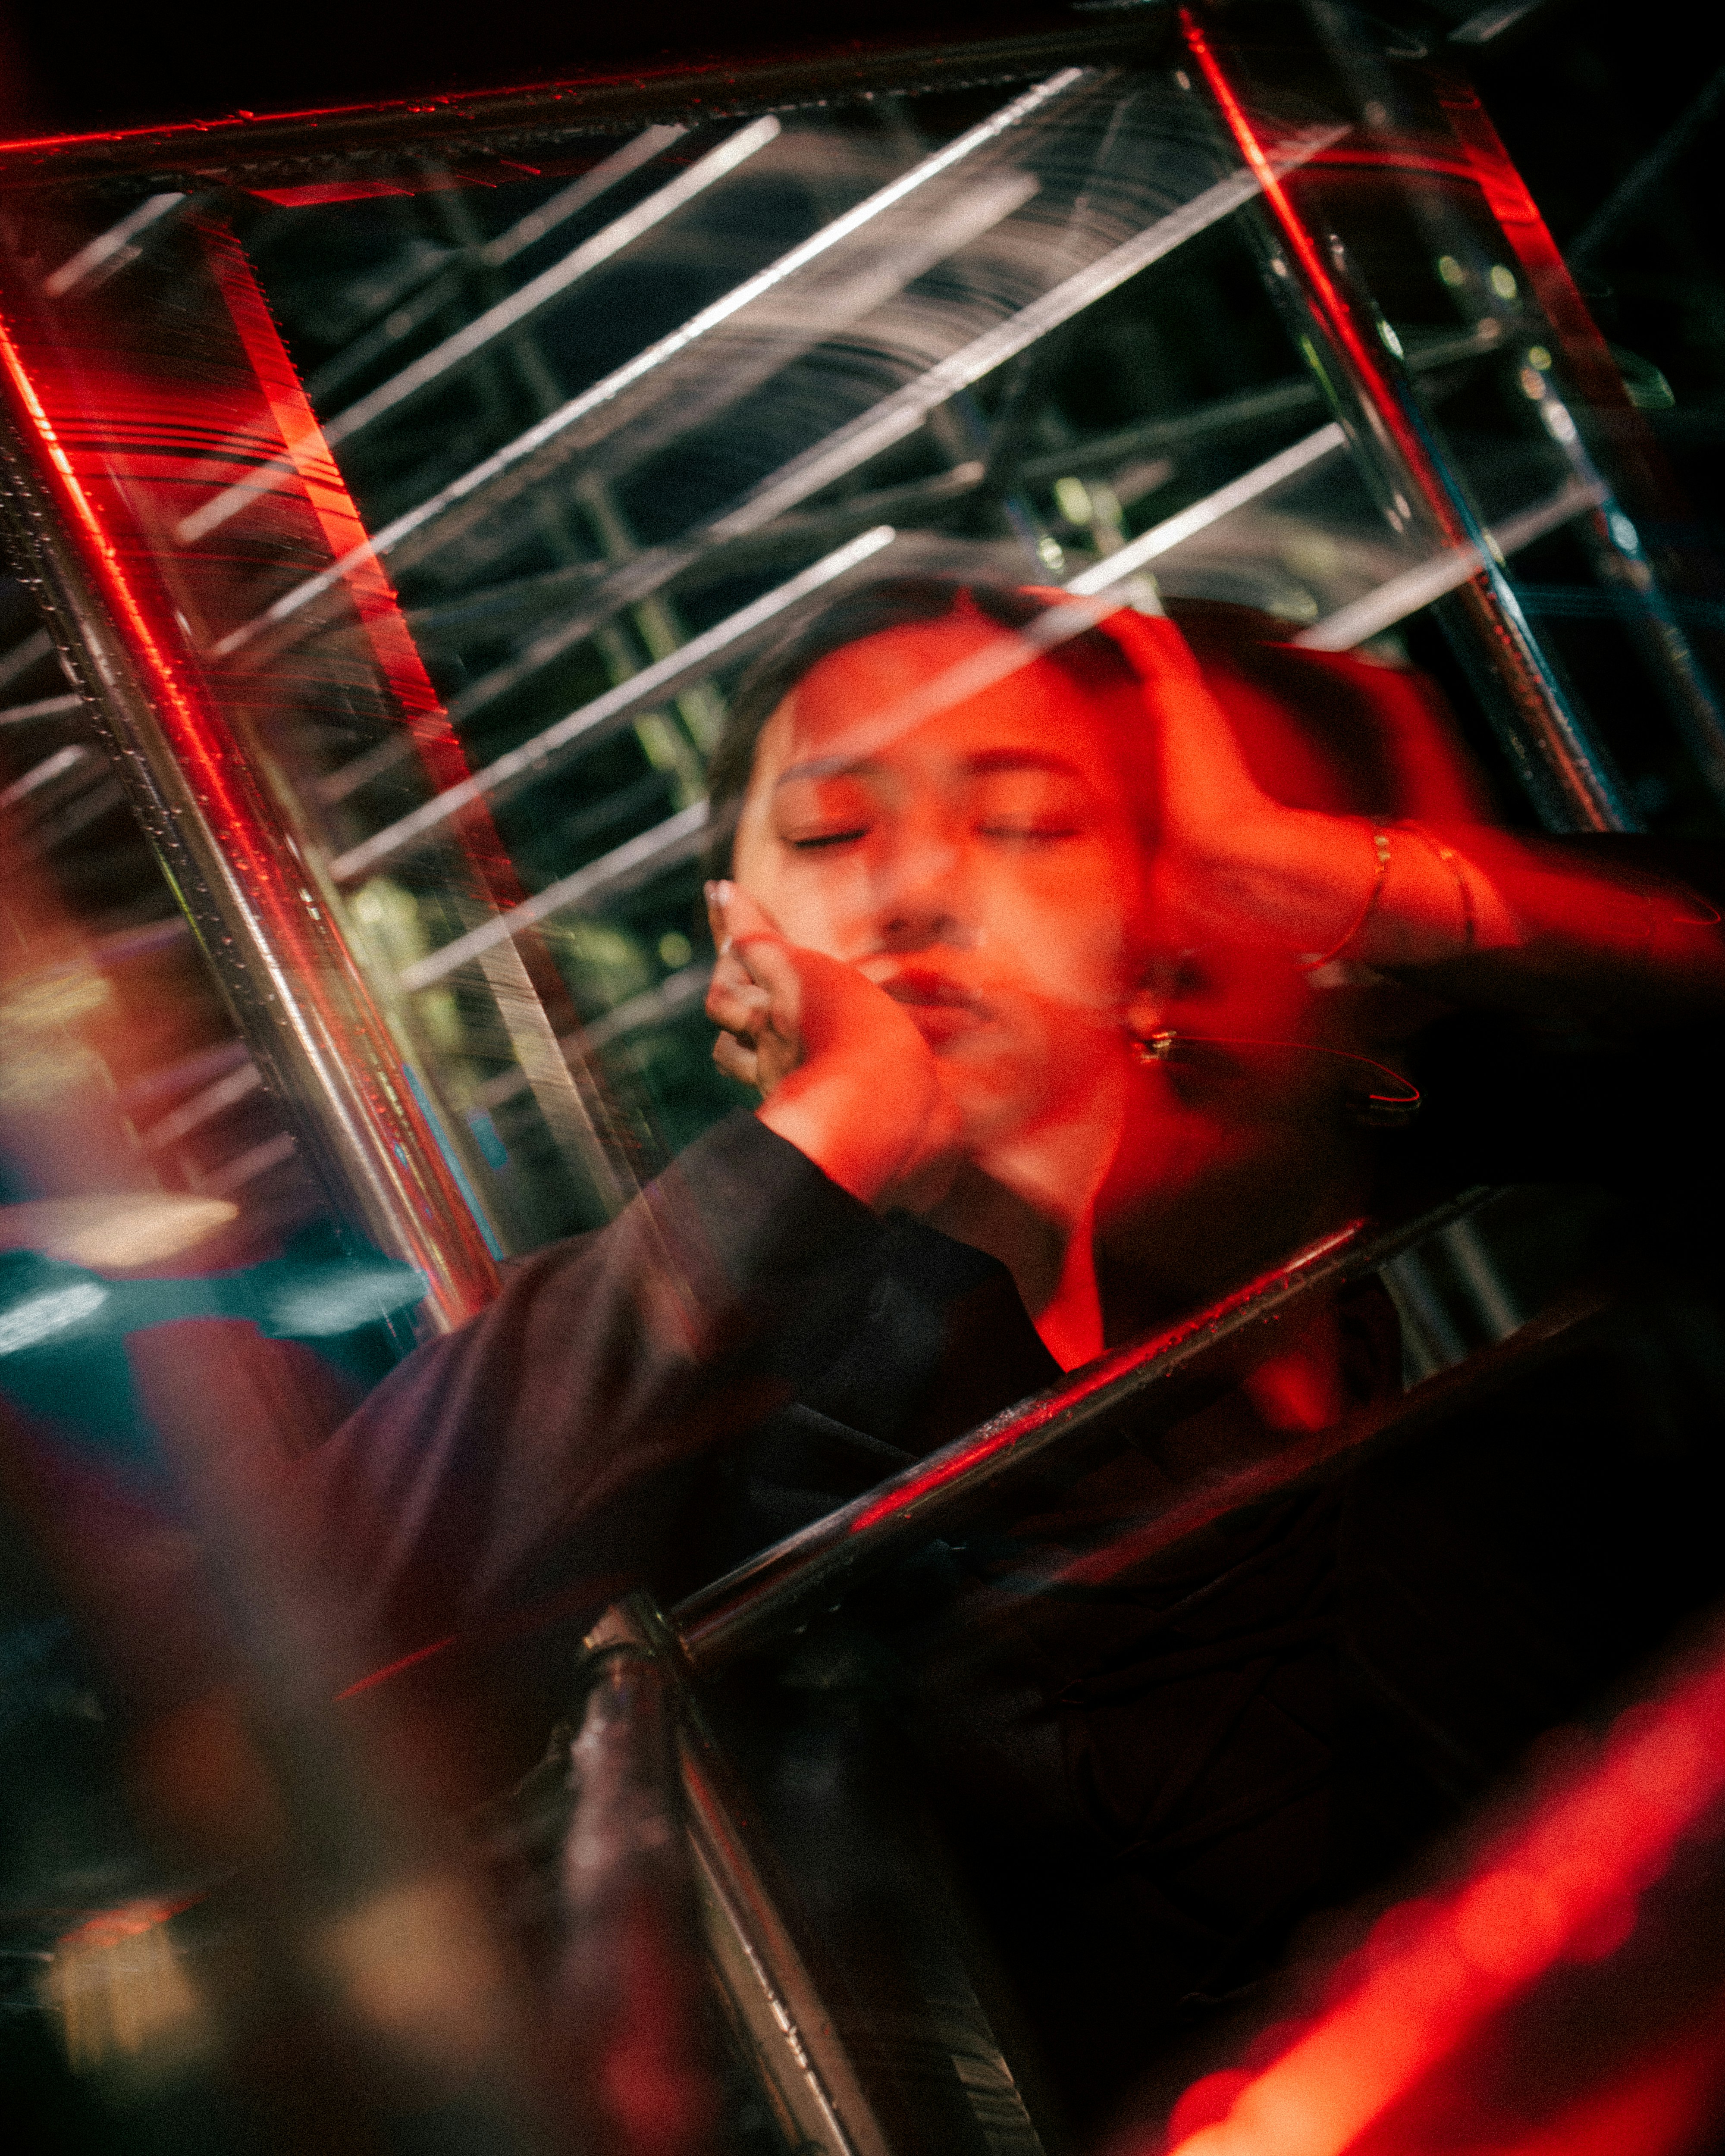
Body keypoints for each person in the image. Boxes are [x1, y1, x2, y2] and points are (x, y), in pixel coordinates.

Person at [303, 574, 1725, 2131]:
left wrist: (1338, 878)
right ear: (737, 933)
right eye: (833, 836)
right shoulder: (706, 1334)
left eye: (1028, 823)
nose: (913, 891)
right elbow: (312, 1662)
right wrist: (824, 1141)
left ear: (1147, 902)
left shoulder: (1320, 1152)